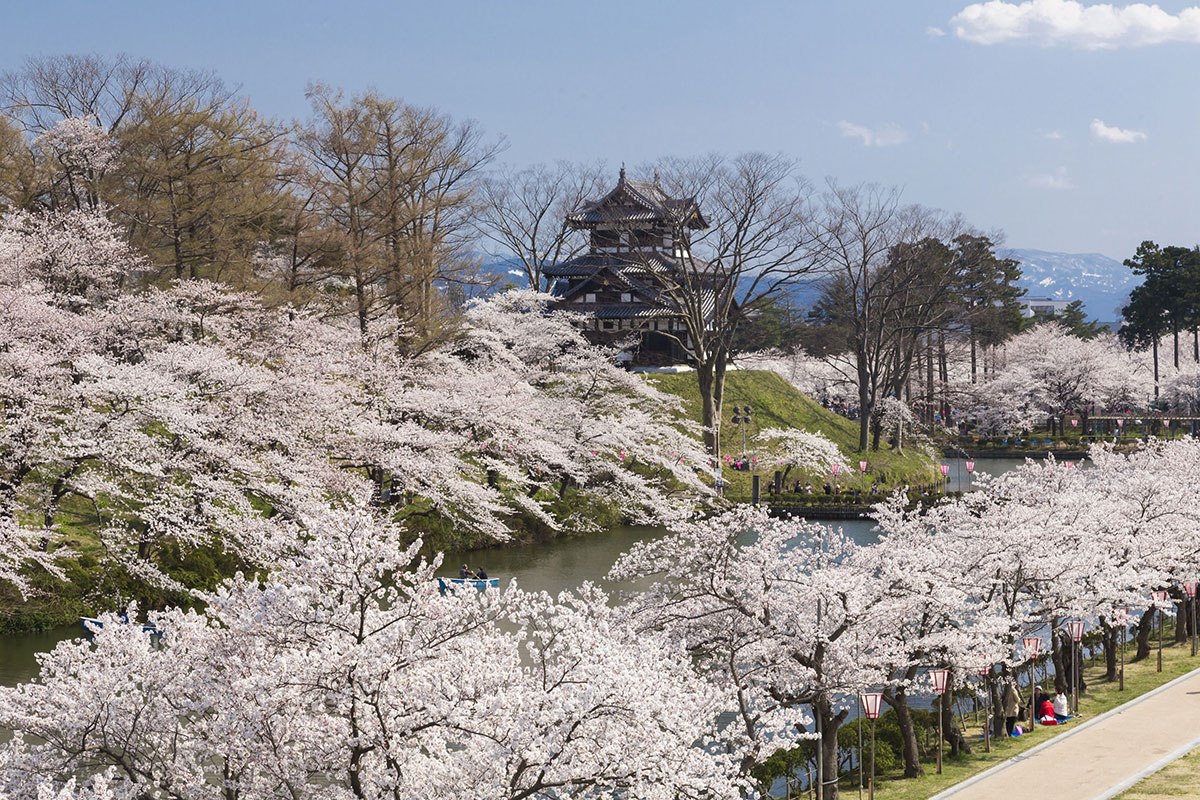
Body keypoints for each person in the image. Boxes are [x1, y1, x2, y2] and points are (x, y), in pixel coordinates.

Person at [1001, 670, 1023, 736]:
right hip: (1013, 709)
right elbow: (1017, 700)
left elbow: (1002, 697)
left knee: (1007, 723)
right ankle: (1009, 733)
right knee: (1011, 722)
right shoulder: (1013, 690)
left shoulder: (1005, 689)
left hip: (1007, 709)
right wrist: (1019, 699)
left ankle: (1007, 733)